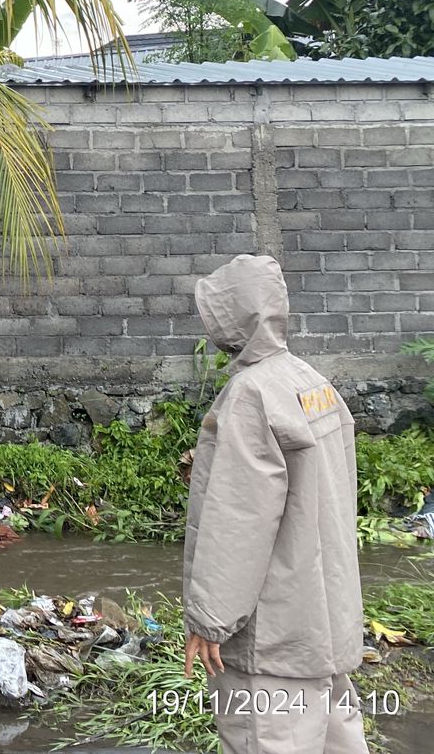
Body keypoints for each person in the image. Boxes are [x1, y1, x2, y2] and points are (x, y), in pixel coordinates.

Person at [182, 254, 368, 753]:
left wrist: (210, 621)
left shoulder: (250, 396)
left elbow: (238, 521)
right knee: (336, 739)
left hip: (274, 639)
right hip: (325, 621)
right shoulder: (311, 383)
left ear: (232, 317)